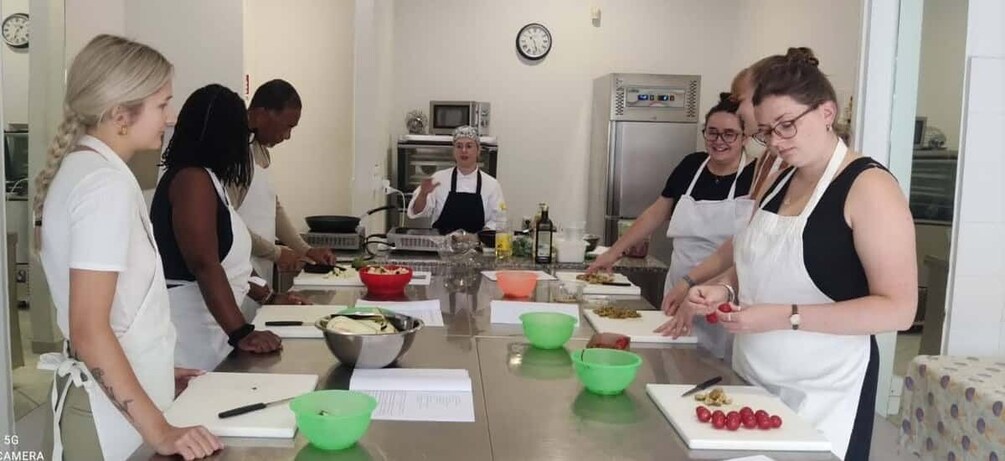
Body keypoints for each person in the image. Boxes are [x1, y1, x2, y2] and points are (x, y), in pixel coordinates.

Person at [666, 47, 917, 460]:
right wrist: (723, 289)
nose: (777, 142)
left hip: (825, 391)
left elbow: (899, 309)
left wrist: (785, 316)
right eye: (767, 132)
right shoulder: (781, 176)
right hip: (754, 380)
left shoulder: (868, 187)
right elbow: (758, 260)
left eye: (787, 126)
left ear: (826, 112)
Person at [34, 34, 220, 460]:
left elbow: (117, 316)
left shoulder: (87, 170)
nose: (170, 117)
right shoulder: (104, 185)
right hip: (109, 424)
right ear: (121, 115)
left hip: (110, 403)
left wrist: (155, 369)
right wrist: (161, 433)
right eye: (161, 105)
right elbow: (88, 328)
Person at [587, 93, 756, 359]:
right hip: (678, 284)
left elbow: (742, 249)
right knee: (672, 358)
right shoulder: (691, 166)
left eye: (729, 134)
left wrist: (698, 287)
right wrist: (613, 252)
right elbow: (655, 213)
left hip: (720, 291)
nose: (718, 141)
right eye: (712, 133)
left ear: (745, 137)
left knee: (717, 367)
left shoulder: (756, 177)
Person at [151, 84, 302, 372]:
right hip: (191, 342)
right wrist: (241, 332)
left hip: (214, 337)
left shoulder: (210, 181)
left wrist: (269, 296)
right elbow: (205, 265)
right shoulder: (191, 182)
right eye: (239, 132)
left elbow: (232, 264)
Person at [226, 79, 336, 285]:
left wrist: (306, 250)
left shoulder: (260, 151)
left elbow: (272, 208)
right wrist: (277, 253)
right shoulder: (235, 156)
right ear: (260, 115)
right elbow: (227, 224)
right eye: (286, 127)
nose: (287, 136)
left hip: (260, 270)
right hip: (238, 273)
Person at [407, 125, 506, 234]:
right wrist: (423, 194)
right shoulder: (438, 178)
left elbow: (498, 221)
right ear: (453, 151)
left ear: (478, 150)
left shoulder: (492, 185)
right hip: (441, 245)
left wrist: (477, 237)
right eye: (459, 146)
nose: (463, 150)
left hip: (477, 248)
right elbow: (416, 211)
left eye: (469, 146)